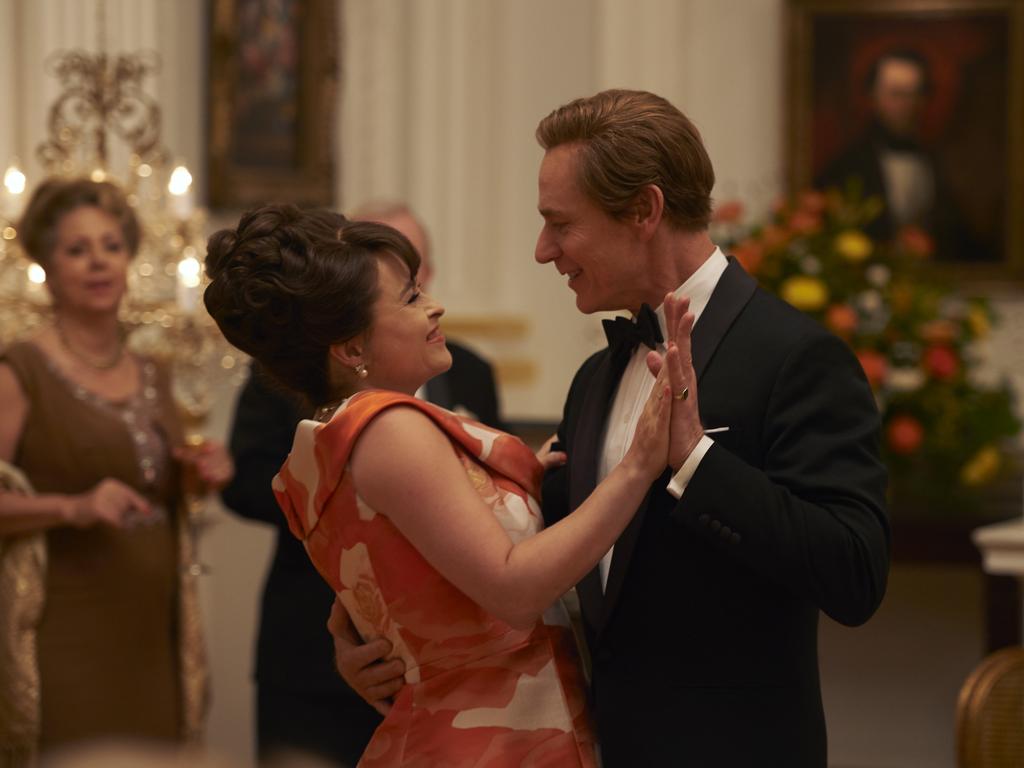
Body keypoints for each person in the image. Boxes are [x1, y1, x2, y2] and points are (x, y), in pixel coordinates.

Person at [336, 89, 891, 767]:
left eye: (560, 223)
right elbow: (530, 555)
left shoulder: (796, 357)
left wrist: (693, 463)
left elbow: (855, 574)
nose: (544, 251)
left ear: (644, 211)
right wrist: (362, 626)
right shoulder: (596, 378)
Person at [203, 204, 691, 766]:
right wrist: (639, 463)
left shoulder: (334, 432)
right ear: (352, 349)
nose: (435, 305)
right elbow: (514, 591)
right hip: (485, 742)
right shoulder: (388, 429)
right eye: (410, 297)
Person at [219, 202, 508, 766]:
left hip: (461, 673)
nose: (423, 301)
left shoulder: (468, 369)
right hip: (312, 648)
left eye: (412, 282)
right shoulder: (286, 380)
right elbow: (249, 479)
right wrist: (358, 515)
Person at [0, 177, 233, 757]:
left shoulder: (153, 371)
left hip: (154, 630)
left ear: (129, 257)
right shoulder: (20, 369)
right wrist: (72, 507)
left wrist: (204, 471)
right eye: (77, 249)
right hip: (62, 626)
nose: (98, 261)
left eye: (110, 245)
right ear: (46, 266)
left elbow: (171, 482)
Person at [815, 49, 987, 261]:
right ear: (873, 97)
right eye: (896, 94)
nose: (908, 104)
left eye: (915, 93)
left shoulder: (937, 161)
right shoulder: (847, 165)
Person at [351, 201, 507, 431]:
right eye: (410, 295)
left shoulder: (472, 373)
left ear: (430, 272)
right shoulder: (301, 396)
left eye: (413, 266)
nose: (437, 307)